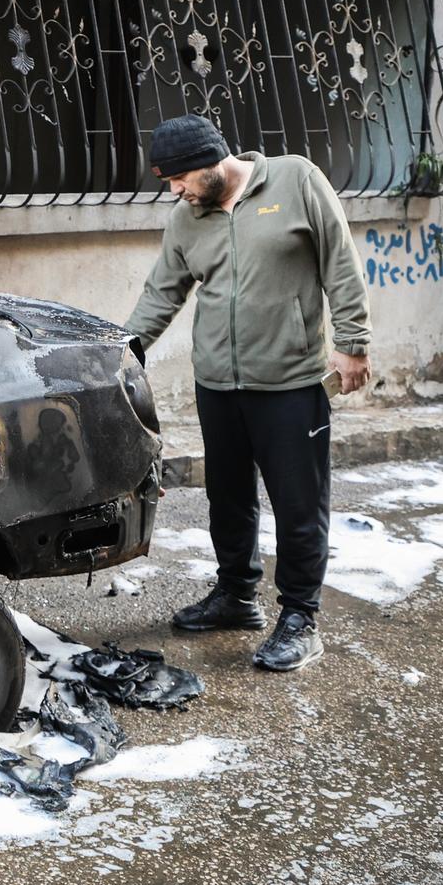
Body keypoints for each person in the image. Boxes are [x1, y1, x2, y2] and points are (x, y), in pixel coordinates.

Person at [124, 115, 371, 673]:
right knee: (228, 498)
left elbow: (341, 260)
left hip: (289, 383)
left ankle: (301, 618)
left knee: (298, 504)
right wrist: (123, 349)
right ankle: (236, 596)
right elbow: (161, 293)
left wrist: (353, 342)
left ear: (212, 161)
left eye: (179, 178)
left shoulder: (296, 181)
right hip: (217, 383)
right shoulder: (187, 219)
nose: (175, 191)